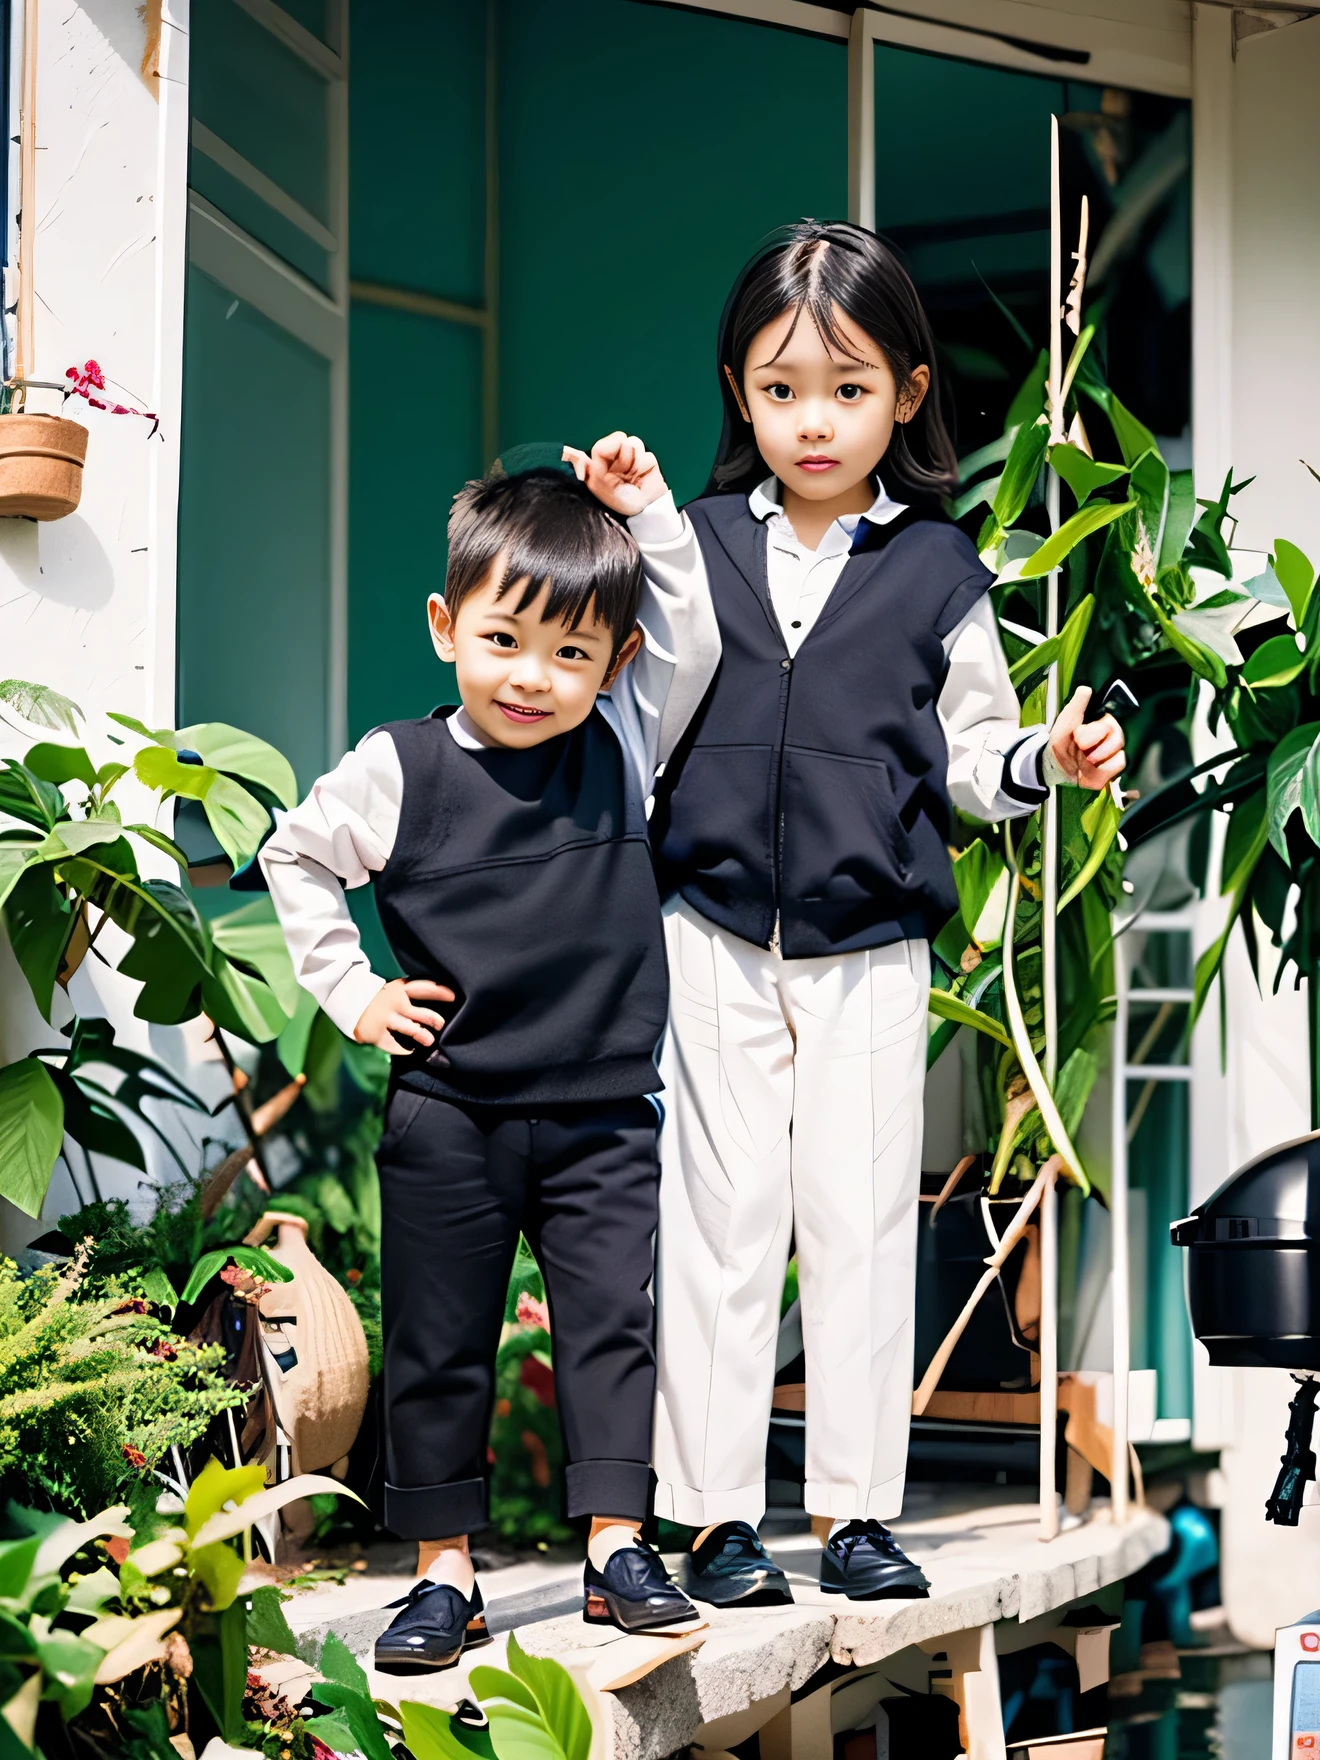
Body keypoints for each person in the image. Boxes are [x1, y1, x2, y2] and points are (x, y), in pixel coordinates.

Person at [576, 220, 1126, 1607]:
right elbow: (639, 706)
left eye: (848, 387)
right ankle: (712, 1519)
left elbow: (970, 754)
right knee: (722, 1222)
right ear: (737, 391)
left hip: (874, 943)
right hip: (712, 931)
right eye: (779, 390)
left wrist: (1044, 762)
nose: (812, 421)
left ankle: (858, 1514)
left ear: (910, 394)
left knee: (862, 1226)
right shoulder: (690, 547)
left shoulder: (942, 572)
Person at [260, 449, 720, 1670]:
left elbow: (698, 631)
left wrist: (648, 512)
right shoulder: (395, 767)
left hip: (603, 1110)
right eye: (507, 639)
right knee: (437, 1339)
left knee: (610, 1328)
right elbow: (293, 854)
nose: (535, 677)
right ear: (445, 623)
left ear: (617, 665)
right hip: (450, 1110)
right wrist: (353, 990)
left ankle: (618, 1548)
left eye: (573, 653)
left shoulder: (623, 736)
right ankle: (443, 1574)